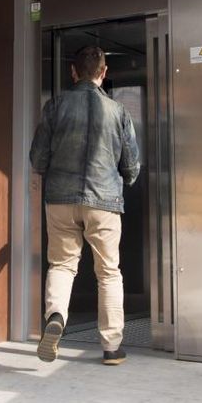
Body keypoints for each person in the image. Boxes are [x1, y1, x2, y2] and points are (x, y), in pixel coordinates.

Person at [29, 45, 140, 366]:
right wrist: (119, 183)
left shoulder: (55, 106)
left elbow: (38, 158)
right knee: (108, 273)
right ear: (103, 73)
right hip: (104, 202)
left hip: (60, 199)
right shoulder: (118, 111)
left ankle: (56, 318)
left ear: (73, 72)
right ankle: (111, 347)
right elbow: (132, 166)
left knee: (62, 266)